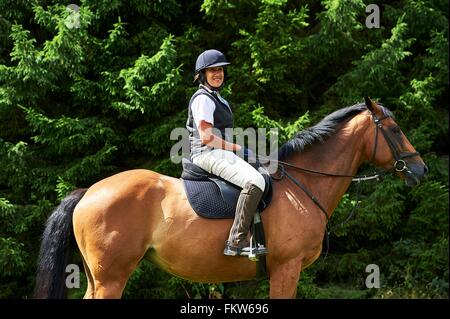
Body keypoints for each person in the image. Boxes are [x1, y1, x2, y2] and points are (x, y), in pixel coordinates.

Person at [186, 49, 268, 257]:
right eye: (212, 70)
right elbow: (206, 137)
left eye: (220, 70)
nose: (218, 74)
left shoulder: (218, 98)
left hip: (218, 152)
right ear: (202, 74)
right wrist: (235, 148)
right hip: (206, 153)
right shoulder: (203, 99)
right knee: (255, 181)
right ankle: (236, 241)